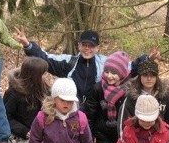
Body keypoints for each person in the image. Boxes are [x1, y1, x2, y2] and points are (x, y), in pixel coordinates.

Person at [15, 28, 157, 108]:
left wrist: (148, 59)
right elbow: (46, 58)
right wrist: (28, 45)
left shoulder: (106, 64)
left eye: (91, 46)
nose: (87, 49)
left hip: (95, 110)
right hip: (71, 108)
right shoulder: (69, 62)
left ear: (97, 48)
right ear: (79, 46)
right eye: (84, 45)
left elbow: (129, 67)